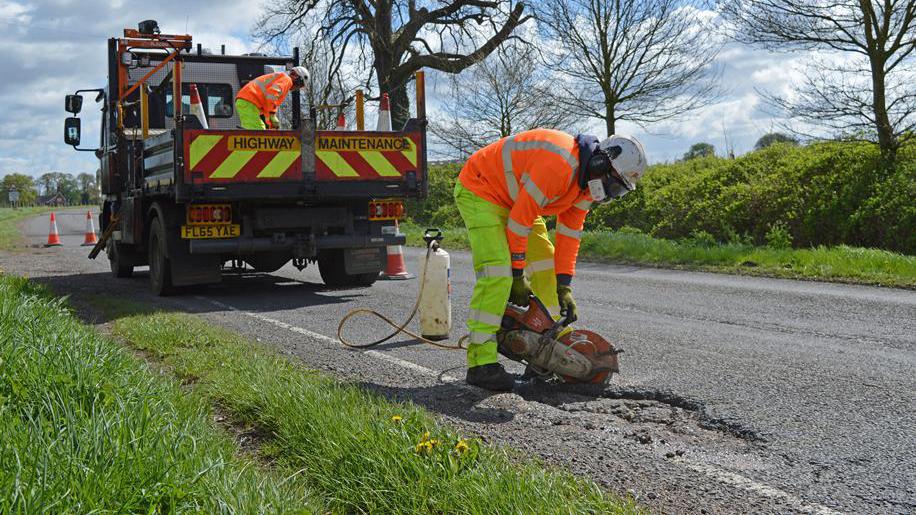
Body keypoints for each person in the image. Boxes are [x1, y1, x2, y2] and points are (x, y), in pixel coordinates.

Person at [455, 129, 647, 391]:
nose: (611, 195)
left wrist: (564, 286)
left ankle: (547, 351)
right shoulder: (559, 165)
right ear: (602, 163)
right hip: (482, 191)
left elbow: (569, 237)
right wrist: (516, 275)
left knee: (546, 265)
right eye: (614, 185)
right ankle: (481, 364)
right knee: (498, 275)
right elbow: (519, 225)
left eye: (619, 191)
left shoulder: (586, 188)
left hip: (520, 202)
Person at [235, 66, 308, 130]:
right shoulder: (287, 80)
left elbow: (269, 99)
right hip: (249, 100)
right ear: (297, 78)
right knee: (256, 133)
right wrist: (272, 114)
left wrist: (270, 122)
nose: (297, 88)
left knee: (259, 129)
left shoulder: (282, 78)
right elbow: (272, 93)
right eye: (300, 85)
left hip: (248, 101)